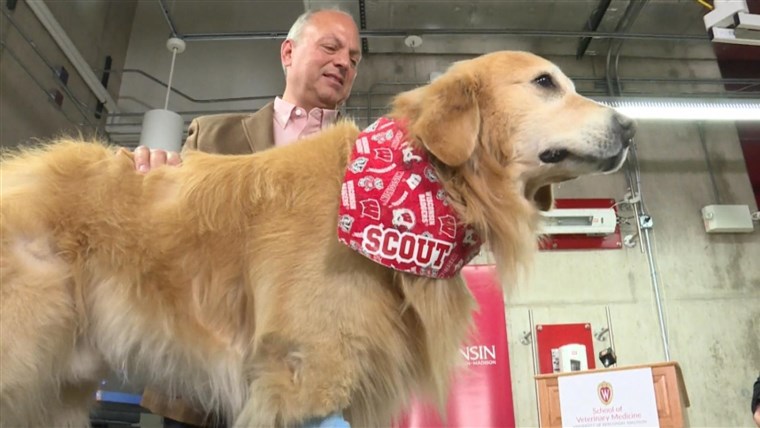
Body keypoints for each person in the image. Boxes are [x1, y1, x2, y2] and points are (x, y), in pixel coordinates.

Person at [135, 7, 361, 427]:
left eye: (354, 57)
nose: (344, 62)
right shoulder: (212, 135)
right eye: (330, 47)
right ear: (288, 53)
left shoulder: (368, 164)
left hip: (310, 392)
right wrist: (146, 177)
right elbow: (167, 241)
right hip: (204, 386)